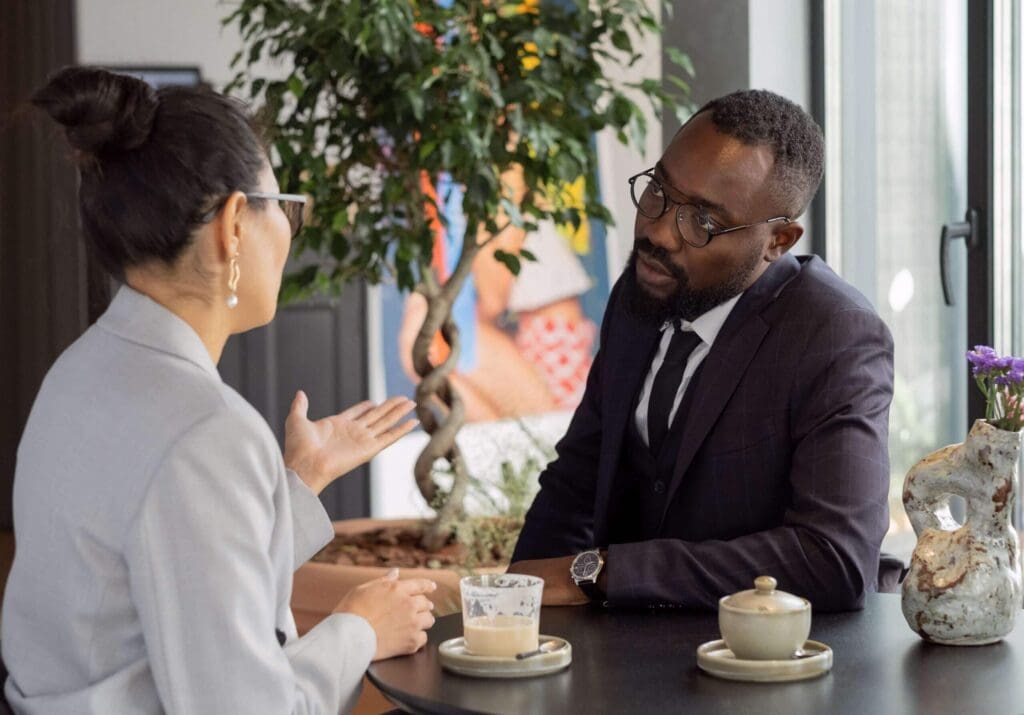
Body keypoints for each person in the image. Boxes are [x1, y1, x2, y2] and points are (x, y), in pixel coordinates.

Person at [2, 66, 436, 714]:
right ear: (235, 223)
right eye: (285, 206)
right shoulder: (206, 431)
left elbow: (158, 573)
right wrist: (358, 629)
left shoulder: (78, 370)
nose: (292, 231)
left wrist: (296, 482)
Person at [509, 89, 895, 613]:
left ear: (778, 240)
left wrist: (603, 572)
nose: (660, 232)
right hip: (629, 658)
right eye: (658, 193)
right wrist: (512, 609)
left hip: (772, 666)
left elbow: (833, 556)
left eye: (704, 222)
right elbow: (579, 477)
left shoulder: (833, 334)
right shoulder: (642, 291)